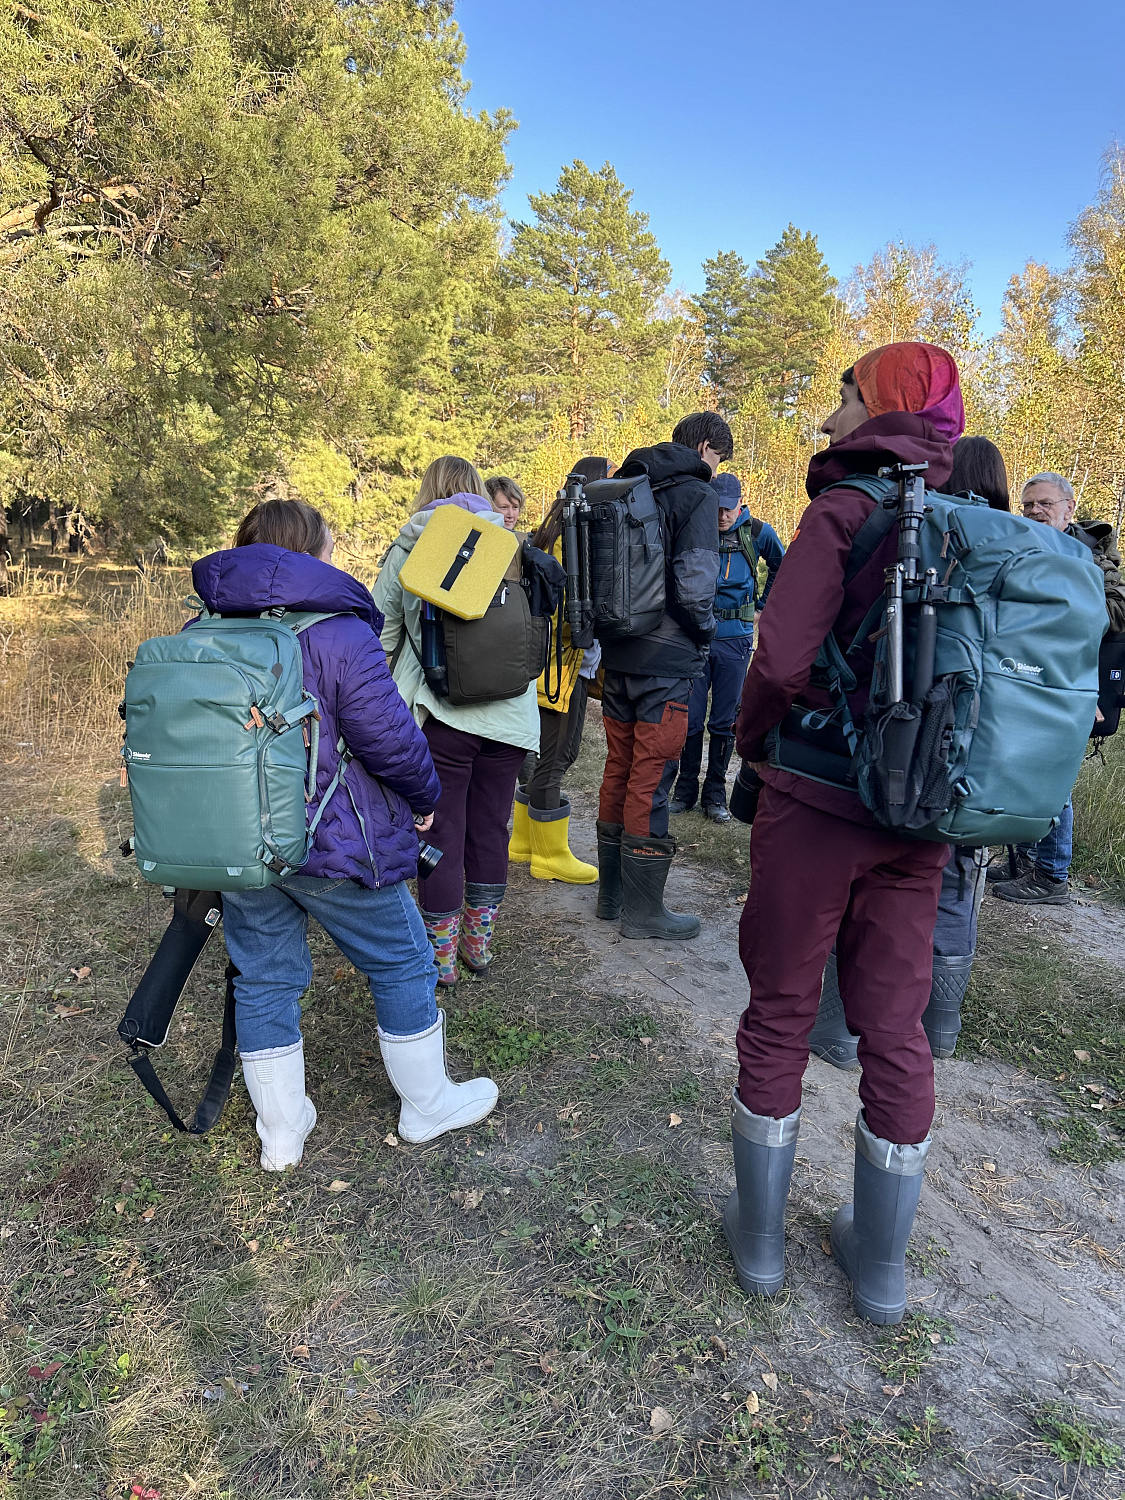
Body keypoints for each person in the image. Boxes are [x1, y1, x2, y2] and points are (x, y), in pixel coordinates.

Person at [725, 342, 964, 1326]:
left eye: (843, 389)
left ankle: (763, 1246)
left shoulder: (842, 511)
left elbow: (778, 659)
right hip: (922, 817)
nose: (829, 407)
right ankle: (880, 1268)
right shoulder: (965, 521)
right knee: (896, 1030)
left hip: (818, 799)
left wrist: (751, 746)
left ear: (875, 402)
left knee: (782, 1007)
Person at [195, 497, 498, 1170]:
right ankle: (426, 1104)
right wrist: (424, 798)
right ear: (311, 553)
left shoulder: (200, 627)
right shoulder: (335, 632)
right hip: (328, 839)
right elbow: (389, 738)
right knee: (401, 959)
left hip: (235, 838)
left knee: (264, 976)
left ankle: (281, 1132)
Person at [808, 434, 1011, 1069]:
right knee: (957, 883)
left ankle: (839, 1030)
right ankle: (938, 1027)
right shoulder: (1023, 548)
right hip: (995, 756)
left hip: (918, 743)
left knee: (870, 880)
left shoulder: (932, 531)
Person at [374, 456, 539, 985]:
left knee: (441, 830)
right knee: (491, 827)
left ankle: (440, 957)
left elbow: (383, 636)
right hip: (510, 715)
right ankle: (478, 944)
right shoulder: (513, 547)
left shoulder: (412, 546)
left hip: (441, 713)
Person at [595, 412, 729, 940]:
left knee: (618, 768)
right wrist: (707, 631)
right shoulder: (697, 495)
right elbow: (695, 585)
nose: (716, 469)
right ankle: (644, 912)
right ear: (704, 446)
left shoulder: (628, 485)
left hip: (619, 653)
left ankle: (612, 897)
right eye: (718, 459)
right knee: (651, 776)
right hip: (667, 662)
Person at [990, 471, 1125, 905]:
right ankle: (1027, 861)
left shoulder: (1090, 559)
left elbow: (1116, 613)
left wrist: (1063, 602)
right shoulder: (1024, 547)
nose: (1034, 511)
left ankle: (1051, 875)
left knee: (1053, 775)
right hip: (1032, 677)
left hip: (1073, 686)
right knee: (1023, 767)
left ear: (1068, 509)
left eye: (1045, 503)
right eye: (1028, 505)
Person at [509, 457, 608, 884]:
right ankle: (549, 855)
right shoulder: (576, 536)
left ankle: (525, 842)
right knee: (556, 758)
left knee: (548, 755)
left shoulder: (550, 531)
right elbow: (574, 611)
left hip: (544, 665)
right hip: (563, 669)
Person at [670, 472, 784, 822]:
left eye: (728, 509)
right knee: (688, 718)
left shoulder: (758, 533)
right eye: (717, 508)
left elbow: (782, 564)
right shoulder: (697, 528)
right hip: (697, 638)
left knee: (722, 721)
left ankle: (715, 796)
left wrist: (764, 604)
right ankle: (685, 791)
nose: (722, 516)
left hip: (735, 640)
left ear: (740, 504)